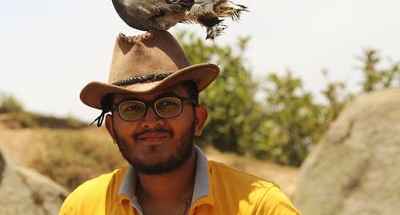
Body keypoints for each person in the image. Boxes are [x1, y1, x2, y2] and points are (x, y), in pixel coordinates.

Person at [59, 31, 300, 215]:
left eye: (168, 104)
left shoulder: (260, 206)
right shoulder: (82, 207)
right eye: (132, 108)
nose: (150, 122)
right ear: (112, 129)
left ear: (198, 119)